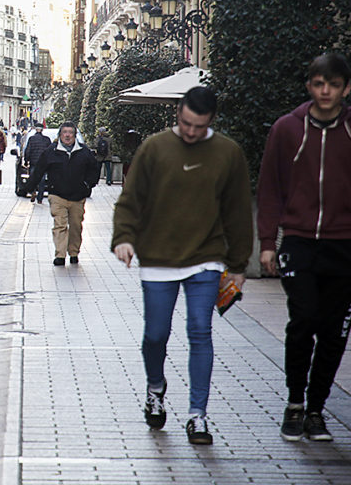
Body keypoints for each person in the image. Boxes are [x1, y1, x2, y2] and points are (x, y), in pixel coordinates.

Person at [112, 86, 253, 445]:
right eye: (186, 123)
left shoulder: (227, 153)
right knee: (156, 334)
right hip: (157, 257)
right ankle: (156, 388)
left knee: (199, 331)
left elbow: (237, 210)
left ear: (211, 121)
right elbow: (130, 198)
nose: (191, 132)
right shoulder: (155, 148)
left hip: (206, 258)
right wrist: (124, 237)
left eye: (199, 126)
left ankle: (197, 416)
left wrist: (238, 263)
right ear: (179, 115)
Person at [257, 52, 351, 443]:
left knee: (335, 332)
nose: (325, 91)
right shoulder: (287, 129)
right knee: (304, 321)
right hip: (297, 241)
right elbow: (270, 187)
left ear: (346, 89)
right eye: (318, 83)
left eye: (333, 84)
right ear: (309, 86)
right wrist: (266, 243)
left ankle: (316, 410)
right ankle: (295, 403)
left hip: (344, 244)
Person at [27, 122, 99, 266]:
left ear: (74, 135)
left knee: (75, 225)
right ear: (60, 134)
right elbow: (39, 170)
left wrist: (88, 184)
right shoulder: (51, 151)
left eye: (70, 132)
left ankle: (73, 252)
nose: (67, 135)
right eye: (64, 132)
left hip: (78, 196)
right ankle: (60, 255)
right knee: (59, 225)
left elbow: (94, 169)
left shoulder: (84, 152)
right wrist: (29, 187)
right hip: (57, 194)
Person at [23, 123, 52, 204]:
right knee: (42, 180)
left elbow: (28, 151)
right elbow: (50, 152)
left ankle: (33, 192)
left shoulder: (32, 139)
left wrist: (26, 161)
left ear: (36, 129)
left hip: (34, 162)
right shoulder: (47, 140)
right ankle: (40, 197)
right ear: (42, 130)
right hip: (43, 163)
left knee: (33, 178)